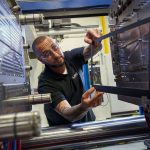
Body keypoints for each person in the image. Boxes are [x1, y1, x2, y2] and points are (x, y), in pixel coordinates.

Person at [32, 29, 104, 126]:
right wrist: (84, 107)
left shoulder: (70, 57)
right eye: (47, 54)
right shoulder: (45, 83)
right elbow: (68, 114)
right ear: (41, 60)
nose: (56, 55)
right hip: (65, 132)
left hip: (88, 122)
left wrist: (96, 42)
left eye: (55, 47)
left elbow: (92, 49)